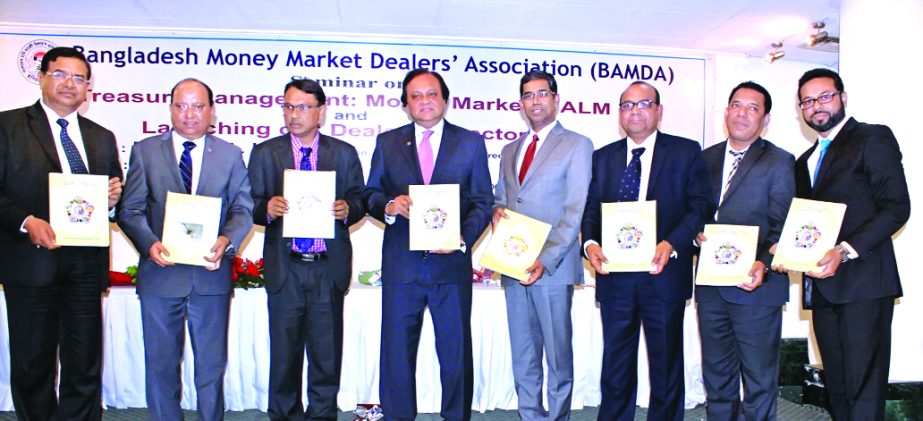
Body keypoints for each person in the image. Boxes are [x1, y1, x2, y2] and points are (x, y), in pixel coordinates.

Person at [118, 78, 253, 421]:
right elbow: (130, 210)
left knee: (210, 369)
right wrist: (149, 244)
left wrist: (227, 241)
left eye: (197, 106)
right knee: (161, 367)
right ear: (170, 109)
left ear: (211, 110)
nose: (188, 114)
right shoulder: (145, 151)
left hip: (210, 275)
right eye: (180, 106)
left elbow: (242, 209)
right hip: (161, 274)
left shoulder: (229, 154)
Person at [0, 46, 122, 421]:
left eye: (79, 78)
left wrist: (113, 200)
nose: (70, 84)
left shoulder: (102, 137)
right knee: (32, 363)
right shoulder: (7, 127)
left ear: (88, 87)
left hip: (85, 267)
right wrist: (25, 221)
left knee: (84, 362)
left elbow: (114, 199)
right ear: (41, 78)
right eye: (60, 74)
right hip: (32, 264)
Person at [363, 68, 492, 421]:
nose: (424, 101)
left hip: (450, 268)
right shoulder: (387, 143)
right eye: (416, 96)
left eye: (431, 94)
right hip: (402, 266)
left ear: (445, 100)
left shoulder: (470, 143)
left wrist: (462, 238)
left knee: (455, 353)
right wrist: (389, 206)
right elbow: (370, 194)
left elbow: (483, 200)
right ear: (406, 104)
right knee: (397, 354)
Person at [580, 81, 713, 421]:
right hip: (615, 276)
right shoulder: (603, 157)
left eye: (643, 104)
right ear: (619, 112)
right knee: (616, 363)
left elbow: (700, 206)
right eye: (627, 105)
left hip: (664, 273)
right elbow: (591, 208)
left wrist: (673, 242)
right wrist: (590, 244)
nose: (634, 111)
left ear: (658, 110)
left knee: (666, 363)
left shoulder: (685, 152)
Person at [789, 68, 910, 421]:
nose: (817, 106)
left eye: (824, 96)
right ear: (801, 110)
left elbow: (896, 208)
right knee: (838, 385)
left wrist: (843, 250)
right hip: (822, 288)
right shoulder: (804, 162)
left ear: (843, 97)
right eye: (807, 101)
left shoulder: (872, 138)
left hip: (864, 283)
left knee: (863, 386)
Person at [248, 78, 365, 420]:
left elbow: (359, 198)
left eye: (302, 107)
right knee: (284, 357)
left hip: (327, 267)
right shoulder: (266, 152)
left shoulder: (342, 153)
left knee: (326, 357)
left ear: (321, 112)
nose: (294, 114)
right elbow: (248, 203)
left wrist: (349, 209)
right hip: (287, 268)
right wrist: (266, 209)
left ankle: (322, 415)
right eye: (288, 106)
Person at [491, 70, 593, 420]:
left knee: (557, 354)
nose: (535, 100)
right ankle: (530, 415)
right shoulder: (509, 150)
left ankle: (558, 417)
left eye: (542, 93)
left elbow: (574, 210)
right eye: (528, 95)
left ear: (555, 99)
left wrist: (545, 259)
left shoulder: (577, 145)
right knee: (524, 352)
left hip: (552, 267)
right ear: (521, 103)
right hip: (512, 265)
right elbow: (502, 198)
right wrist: (496, 213)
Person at [695, 81, 794, 421]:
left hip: (757, 288)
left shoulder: (780, 161)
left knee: (758, 380)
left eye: (753, 108)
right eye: (736, 104)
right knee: (717, 377)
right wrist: (695, 234)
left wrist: (763, 263)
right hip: (710, 288)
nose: (742, 113)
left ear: (765, 118)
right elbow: (695, 212)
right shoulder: (704, 159)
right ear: (726, 111)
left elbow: (783, 225)